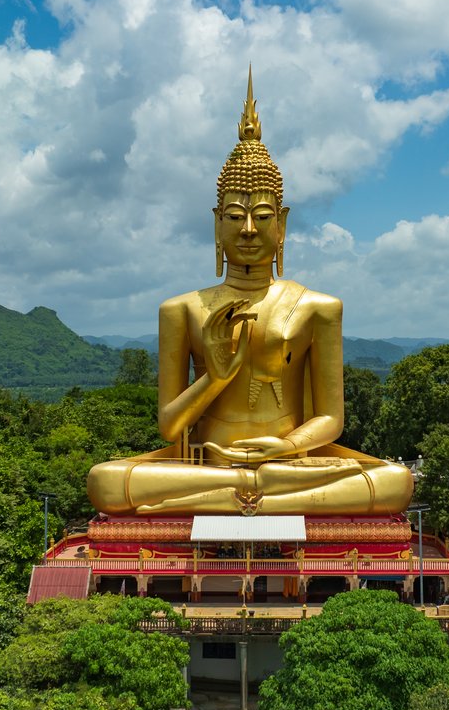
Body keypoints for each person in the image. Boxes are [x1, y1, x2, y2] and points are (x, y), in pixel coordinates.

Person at [86, 73, 413, 517]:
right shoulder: (180, 310)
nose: (248, 230)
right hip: (208, 463)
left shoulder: (319, 308)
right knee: (105, 481)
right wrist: (215, 377)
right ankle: (252, 494)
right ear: (216, 223)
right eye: (235, 216)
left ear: (283, 224)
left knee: (395, 481)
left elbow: (331, 420)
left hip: (288, 462)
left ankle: (237, 495)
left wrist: (285, 445)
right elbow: (169, 428)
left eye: (262, 216)